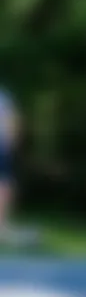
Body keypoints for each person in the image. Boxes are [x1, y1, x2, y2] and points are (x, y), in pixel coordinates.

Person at [0, 87, 17, 238]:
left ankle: (2, 225)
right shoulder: (4, 97)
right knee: (4, 185)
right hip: (3, 147)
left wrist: (10, 143)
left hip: (2, 147)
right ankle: (2, 226)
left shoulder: (3, 97)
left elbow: (12, 122)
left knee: (4, 185)